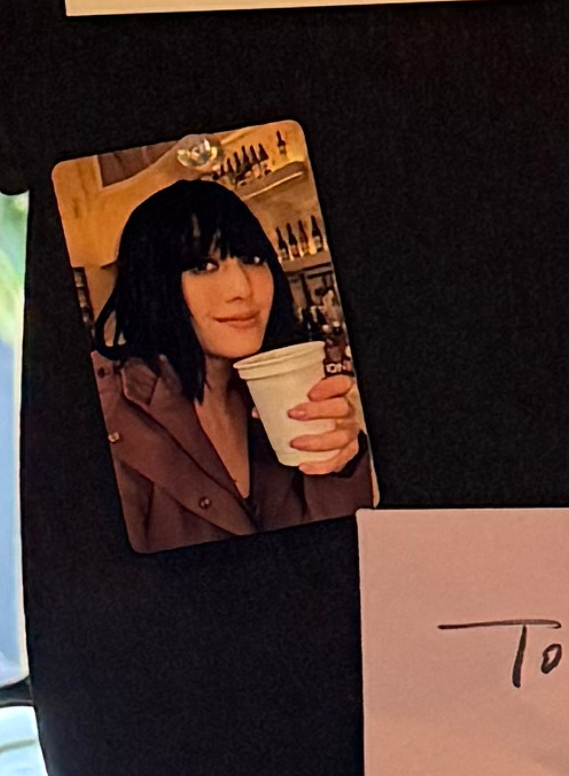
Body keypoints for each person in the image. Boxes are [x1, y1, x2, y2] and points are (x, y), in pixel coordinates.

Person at [81, 172, 368, 552]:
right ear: (153, 282)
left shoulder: (270, 393)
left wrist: (341, 463)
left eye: (252, 259)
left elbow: (338, 552)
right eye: (202, 266)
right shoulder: (108, 415)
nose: (242, 289)